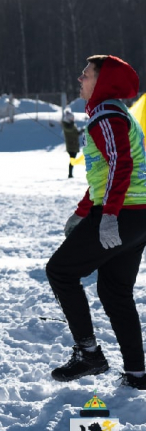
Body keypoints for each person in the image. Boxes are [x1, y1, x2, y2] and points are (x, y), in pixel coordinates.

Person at [46, 55, 146, 390]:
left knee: (60, 271)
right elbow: (105, 174)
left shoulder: (106, 115)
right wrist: (83, 209)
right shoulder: (112, 112)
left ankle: (89, 355)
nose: (80, 79)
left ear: (101, 82)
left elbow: (122, 164)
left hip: (123, 214)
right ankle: (137, 372)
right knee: (114, 291)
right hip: (137, 215)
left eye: (86, 74)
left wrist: (109, 216)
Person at [62, 108, 81, 179]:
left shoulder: (71, 124)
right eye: (72, 118)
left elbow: (74, 132)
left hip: (74, 145)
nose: (73, 119)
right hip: (71, 146)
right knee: (72, 159)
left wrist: (80, 132)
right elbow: (69, 130)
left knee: (73, 159)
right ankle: (70, 174)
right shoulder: (67, 125)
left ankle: (70, 174)